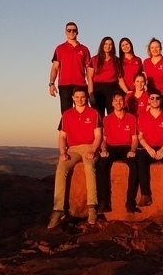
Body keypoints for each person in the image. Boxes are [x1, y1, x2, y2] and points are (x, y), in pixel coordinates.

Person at [48, 87, 102, 229]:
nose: (80, 99)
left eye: (83, 97)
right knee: (61, 168)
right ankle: (58, 209)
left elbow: (98, 136)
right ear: (73, 98)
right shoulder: (66, 115)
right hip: (73, 149)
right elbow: (62, 137)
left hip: (89, 146)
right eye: (77, 97)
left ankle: (92, 208)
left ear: (86, 98)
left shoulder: (94, 113)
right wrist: (62, 152)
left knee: (89, 166)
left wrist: (93, 150)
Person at [97, 90, 139, 214]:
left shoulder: (131, 118)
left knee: (134, 165)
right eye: (116, 100)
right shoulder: (107, 119)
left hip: (126, 147)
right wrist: (103, 149)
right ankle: (104, 201)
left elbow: (135, 139)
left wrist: (132, 150)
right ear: (112, 103)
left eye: (121, 100)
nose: (118, 103)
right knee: (102, 164)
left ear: (124, 102)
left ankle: (130, 201)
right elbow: (103, 139)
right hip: (111, 147)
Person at [48, 22, 91, 113]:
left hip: (81, 85)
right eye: (69, 30)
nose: (72, 32)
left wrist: (91, 87)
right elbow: (55, 68)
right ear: (65, 32)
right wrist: (51, 84)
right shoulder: (59, 48)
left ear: (77, 32)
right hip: (64, 85)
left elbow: (88, 70)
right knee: (66, 114)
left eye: (74, 30)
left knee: (84, 112)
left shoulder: (84, 49)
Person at [87, 36, 126, 118]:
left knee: (113, 115)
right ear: (102, 45)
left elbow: (119, 77)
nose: (108, 46)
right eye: (106, 44)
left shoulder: (116, 60)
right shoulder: (94, 59)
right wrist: (91, 95)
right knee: (98, 116)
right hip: (98, 89)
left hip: (112, 88)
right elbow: (89, 78)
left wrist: (127, 91)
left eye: (110, 44)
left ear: (113, 47)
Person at [142, 38, 163, 113]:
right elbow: (144, 79)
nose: (155, 49)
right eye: (152, 47)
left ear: (160, 48)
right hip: (151, 95)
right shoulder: (146, 62)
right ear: (149, 49)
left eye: (157, 47)